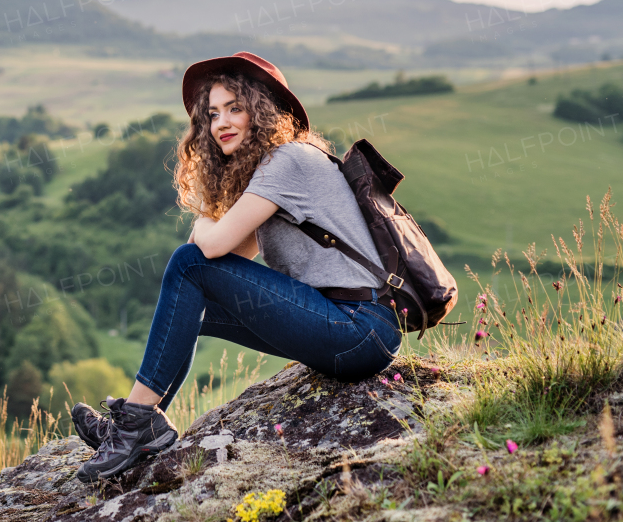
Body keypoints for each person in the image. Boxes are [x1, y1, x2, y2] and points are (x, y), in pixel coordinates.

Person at [72, 51, 401, 483]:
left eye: (235, 108)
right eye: (212, 114)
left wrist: (208, 210)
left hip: (359, 327)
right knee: (195, 298)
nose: (220, 123)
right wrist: (214, 215)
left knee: (187, 265)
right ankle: (139, 425)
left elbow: (209, 249)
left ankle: (135, 423)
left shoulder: (288, 161)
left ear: (263, 112)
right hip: (345, 325)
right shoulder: (270, 169)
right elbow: (233, 260)